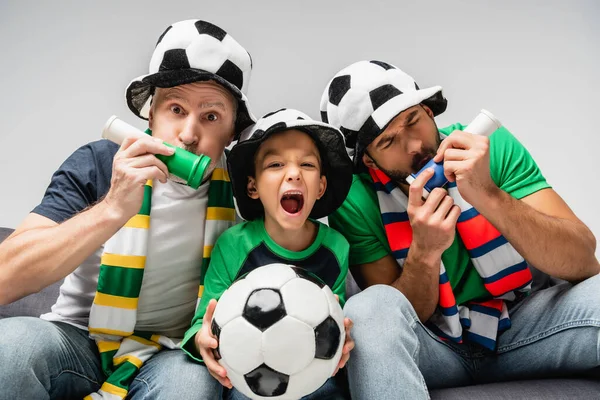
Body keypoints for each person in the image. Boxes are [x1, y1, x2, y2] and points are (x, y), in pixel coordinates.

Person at [0, 19, 256, 400]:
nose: (188, 134)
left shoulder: (247, 187)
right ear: (150, 114)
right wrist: (112, 209)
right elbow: (5, 277)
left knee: (188, 390)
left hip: (173, 350)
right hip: (78, 338)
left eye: (211, 116)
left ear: (234, 132)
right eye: (175, 108)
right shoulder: (100, 163)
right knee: (13, 348)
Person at [319, 60, 600, 399]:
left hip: (524, 323)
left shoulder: (488, 147)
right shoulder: (354, 199)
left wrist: (488, 195)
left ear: (429, 110)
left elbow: (585, 262)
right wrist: (424, 252)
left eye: (413, 121)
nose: (413, 146)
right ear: (368, 159)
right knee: (368, 309)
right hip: (434, 345)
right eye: (389, 141)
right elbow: (394, 318)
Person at [182, 108, 355, 399]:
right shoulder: (233, 245)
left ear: (321, 187)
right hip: (248, 381)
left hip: (312, 377)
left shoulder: (336, 248)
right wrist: (203, 338)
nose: (294, 174)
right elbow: (202, 323)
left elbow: (332, 322)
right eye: (276, 164)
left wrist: (342, 342)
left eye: (307, 165)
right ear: (253, 187)